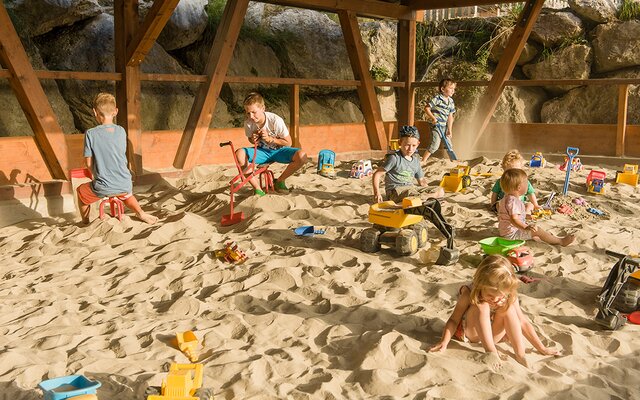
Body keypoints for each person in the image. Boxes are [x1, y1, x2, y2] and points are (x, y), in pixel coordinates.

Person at [429, 254, 562, 369]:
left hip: (493, 335)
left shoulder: (508, 293)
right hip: (470, 333)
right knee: (482, 306)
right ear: (480, 286)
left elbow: (522, 322)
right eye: (491, 296)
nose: (496, 299)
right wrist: (444, 341)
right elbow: (453, 319)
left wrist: (541, 348)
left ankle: (520, 355)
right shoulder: (469, 292)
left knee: (508, 308)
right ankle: (491, 352)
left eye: (501, 296)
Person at [77, 93, 158, 225]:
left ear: (94, 112)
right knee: (126, 195)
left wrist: (93, 175)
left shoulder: (90, 134)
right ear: (115, 111)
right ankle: (141, 213)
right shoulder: (121, 131)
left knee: (81, 192)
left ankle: (85, 221)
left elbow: (88, 163)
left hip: (104, 186)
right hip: (124, 182)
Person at [236, 92, 308, 196]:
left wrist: (271, 139)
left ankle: (280, 181)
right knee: (239, 153)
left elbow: (289, 142)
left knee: (302, 156)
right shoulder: (248, 123)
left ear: (263, 108)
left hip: (279, 151)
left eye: (254, 112)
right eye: (248, 113)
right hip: (262, 152)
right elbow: (251, 141)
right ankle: (257, 189)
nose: (251, 116)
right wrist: (253, 138)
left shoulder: (275, 120)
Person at [498, 168, 575, 246]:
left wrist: (525, 216)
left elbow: (508, 216)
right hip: (512, 235)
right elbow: (513, 219)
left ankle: (542, 237)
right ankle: (560, 241)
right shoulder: (514, 202)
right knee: (538, 230)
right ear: (519, 187)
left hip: (505, 232)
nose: (528, 185)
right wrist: (525, 227)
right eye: (526, 183)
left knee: (535, 232)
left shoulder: (506, 198)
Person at [372, 125, 444, 204]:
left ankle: (425, 199)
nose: (410, 149)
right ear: (400, 142)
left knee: (440, 191)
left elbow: (422, 181)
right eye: (407, 145)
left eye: (413, 146)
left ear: (418, 144)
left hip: (411, 189)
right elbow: (377, 174)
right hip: (396, 191)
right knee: (413, 196)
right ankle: (425, 199)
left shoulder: (416, 161)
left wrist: (428, 190)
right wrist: (377, 193)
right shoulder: (394, 158)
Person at [421, 78, 457, 163]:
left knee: (448, 144)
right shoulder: (437, 99)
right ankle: (423, 160)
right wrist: (433, 118)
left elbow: (450, 116)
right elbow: (427, 108)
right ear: (443, 89)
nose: (453, 91)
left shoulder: (451, 101)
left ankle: (452, 160)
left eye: (454, 89)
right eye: (451, 88)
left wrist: (449, 129)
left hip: (444, 126)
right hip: (436, 125)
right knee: (435, 144)